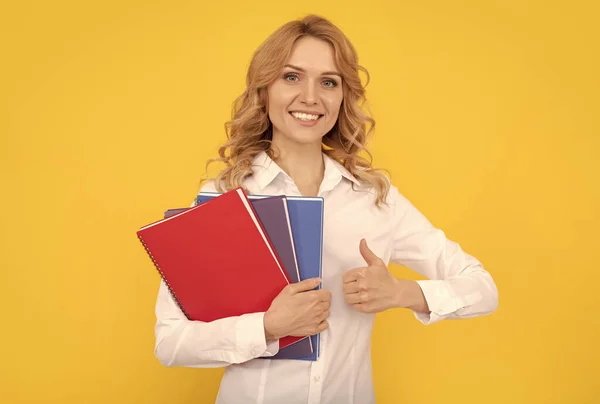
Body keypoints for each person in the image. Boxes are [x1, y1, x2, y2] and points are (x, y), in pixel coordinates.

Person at [152, 14, 498, 404]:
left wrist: (402, 292)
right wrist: (268, 327)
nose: (311, 97)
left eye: (328, 82)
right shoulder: (224, 198)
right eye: (291, 77)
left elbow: (482, 289)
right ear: (264, 90)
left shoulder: (375, 199)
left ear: (342, 97)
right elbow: (171, 342)